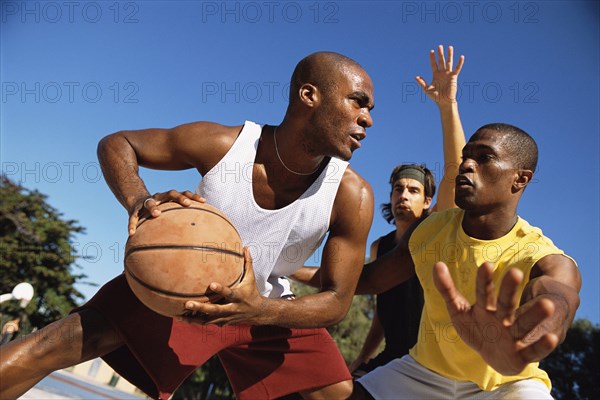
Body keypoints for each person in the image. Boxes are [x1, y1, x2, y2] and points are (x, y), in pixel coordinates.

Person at [0, 51, 375, 400]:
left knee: (340, 393)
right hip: (183, 283)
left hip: (268, 306)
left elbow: (337, 301)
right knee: (51, 345)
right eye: (357, 101)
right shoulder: (224, 145)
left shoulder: (352, 196)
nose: (367, 118)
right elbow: (118, 143)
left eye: (369, 109)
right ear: (309, 95)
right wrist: (138, 200)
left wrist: (257, 309)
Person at [351, 123, 582, 399]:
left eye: (484, 157)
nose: (466, 165)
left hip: (505, 384)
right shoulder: (430, 229)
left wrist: (519, 346)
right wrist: (294, 268)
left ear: (520, 179)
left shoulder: (544, 256)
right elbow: (368, 279)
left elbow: (560, 301)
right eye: (465, 156)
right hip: (422, 373)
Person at [291, 45, 466, 378]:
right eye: (398, 188)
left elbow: (455, 175)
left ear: (429, 202)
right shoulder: (380, 247)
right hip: (395, 357)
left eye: (413, 191)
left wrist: (447, 106)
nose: (403, 195)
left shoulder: (437, 229)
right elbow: (372, 302)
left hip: (433, 361)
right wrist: (362, 359)